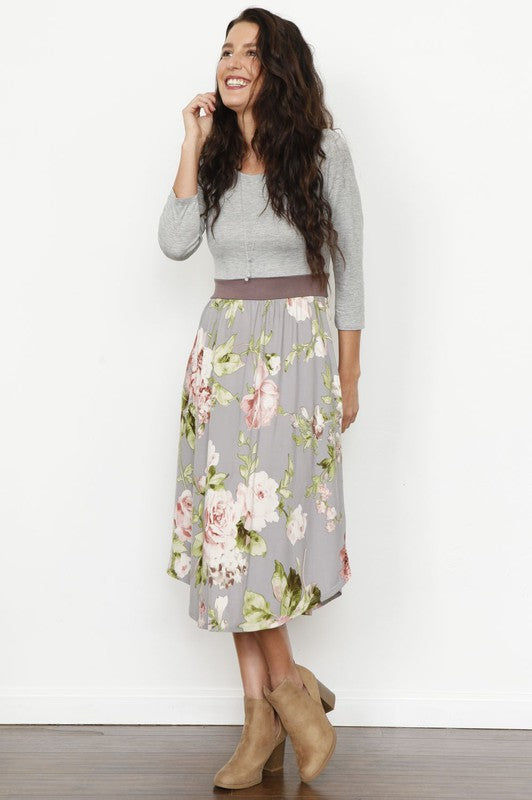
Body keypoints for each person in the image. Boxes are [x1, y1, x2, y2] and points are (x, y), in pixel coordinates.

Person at [157, 7, 364, 790]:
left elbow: (355, 268)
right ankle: (271, 715)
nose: (232, 63)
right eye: (225, 51)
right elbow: (176, 242)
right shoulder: (211, 157)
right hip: (223, 362)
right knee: (231, 545)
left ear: (280, 67)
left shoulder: (322, 150)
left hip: (299, 362)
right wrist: (190, 142)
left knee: (261, 542)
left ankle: (286, 707)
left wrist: (351, 376)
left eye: (249, 51)